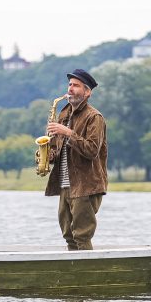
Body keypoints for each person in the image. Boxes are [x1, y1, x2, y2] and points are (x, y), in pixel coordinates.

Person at [41, 68, 108, 250]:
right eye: (70, 84)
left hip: (85, 184)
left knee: (82, 234)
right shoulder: (64, 114)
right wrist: (47, 154)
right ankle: (74, 274)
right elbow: (58, 148)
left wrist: (68, 133)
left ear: (87, 92)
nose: (70, 89)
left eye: (76, 86)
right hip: (65, 184)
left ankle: (88, 274)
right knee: (68, 235)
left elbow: (92, 150)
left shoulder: (94, 117)